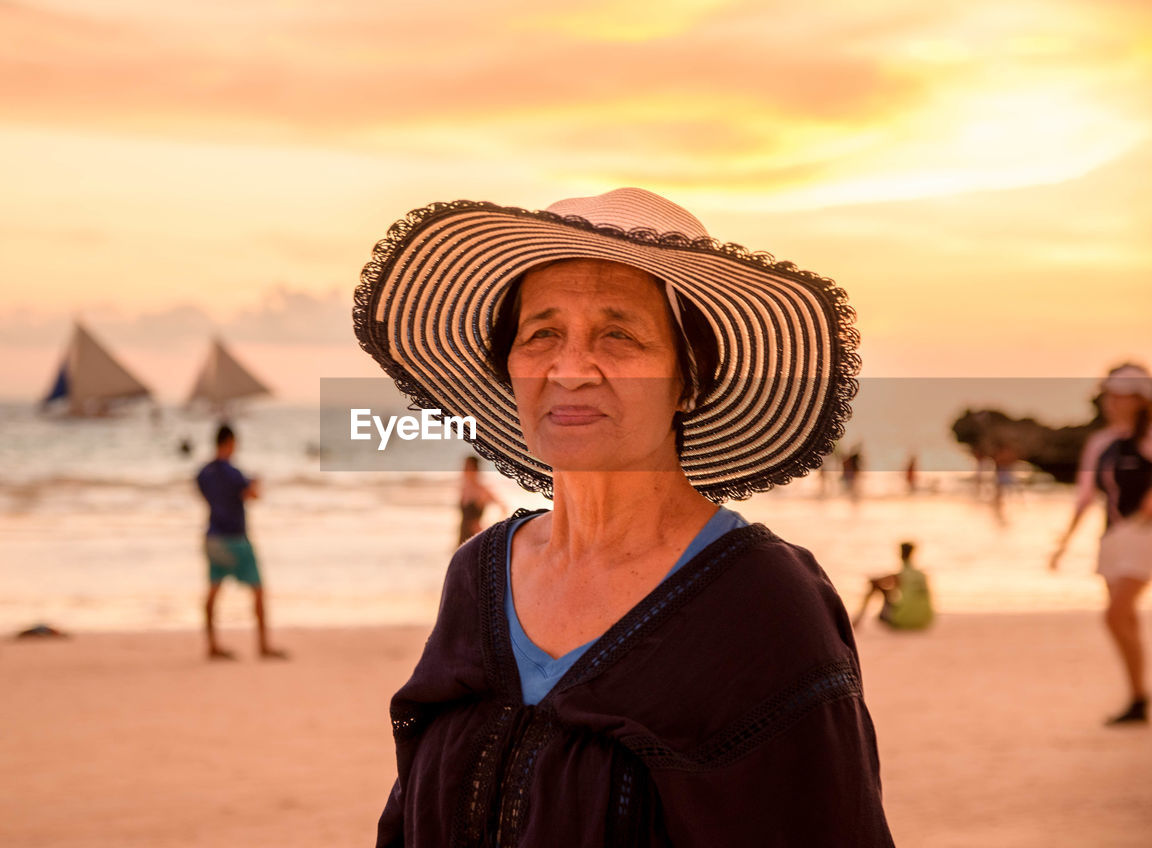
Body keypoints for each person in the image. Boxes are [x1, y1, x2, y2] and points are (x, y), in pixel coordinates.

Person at [355, 188, 893, 845]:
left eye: (619, 334)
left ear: (690, 378)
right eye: (541, 333)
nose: (571, 369)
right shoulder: (478, 578)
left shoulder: (763, 604)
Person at [1050, 363, 1152, 725]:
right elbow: (1085, 496)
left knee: (1115, 613)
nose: (1110, 402)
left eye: (1118, 396)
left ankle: (1140, 696)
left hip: (1144, 537)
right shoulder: (1101, 443)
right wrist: (1064, 542)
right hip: (1113, 539)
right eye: (1108, 395)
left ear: (1139, 400)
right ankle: (1138, 696)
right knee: (1124, 619)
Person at [195, 423, 286, 661]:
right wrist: (255, 484)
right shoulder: (234, 473)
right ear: (231, 443)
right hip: (235, 538)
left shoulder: (204, 473)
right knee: (257, 590)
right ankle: (263, 645)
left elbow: (204, 494)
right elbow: (252, 495)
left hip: (213, 536)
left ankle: (212, 644)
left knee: (213, 591)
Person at [852, 542, 934, 631]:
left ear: (901, 554)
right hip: (925, 621)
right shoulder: (921, 575)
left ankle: (857, 621)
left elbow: (875, 581)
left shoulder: (899, 575)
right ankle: (857, 621)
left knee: (875, 586)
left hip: (904, 621)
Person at [457, 456, 506, 546]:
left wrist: (490, 528)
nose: (464, 470)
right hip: (462, 536)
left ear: (475, 469)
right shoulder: (464, 488)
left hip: (475, 537)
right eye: (464, 467)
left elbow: (503, 507)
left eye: (468, 467)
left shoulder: (481, 490)